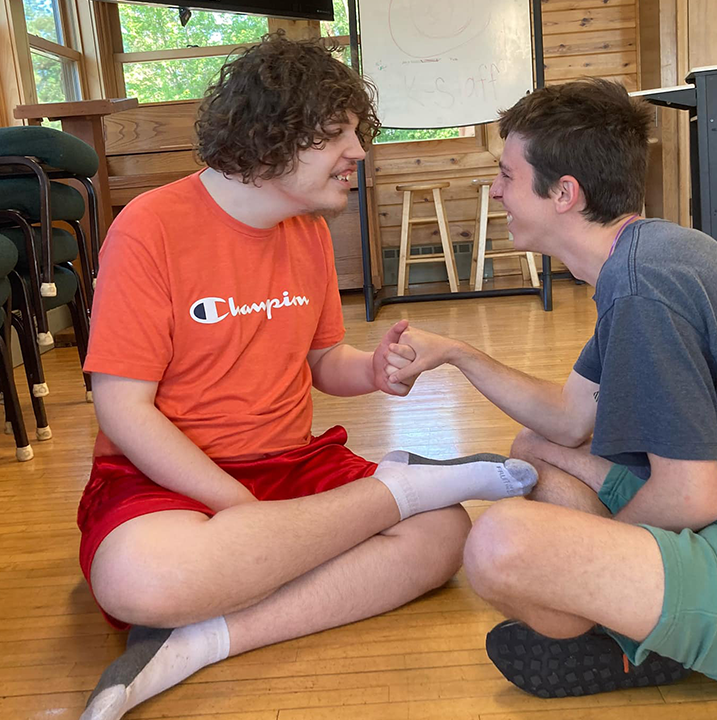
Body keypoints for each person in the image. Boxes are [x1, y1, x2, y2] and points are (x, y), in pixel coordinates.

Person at [76, 33, 537, 720]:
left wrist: (373, 370)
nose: (357, 152)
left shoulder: (307, 233)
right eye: (335, 135)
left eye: (357, 133)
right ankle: (404, 485)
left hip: (289, 466)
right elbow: (124, 410)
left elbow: (323, 362)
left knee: (444, 538)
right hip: (165, 477)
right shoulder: (149, 229)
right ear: (268, 137)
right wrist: (236, 505)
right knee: (138, 582)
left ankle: (203, 641)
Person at [385, 78, 717, 697]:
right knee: (534, 451)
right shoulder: (645, 258)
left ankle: (637, 636)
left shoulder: (645, 290)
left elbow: (690, 499)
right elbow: (568, 419)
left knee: (499, 544)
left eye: (507, 175)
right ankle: (639, 622)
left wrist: (577, 558)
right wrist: (458, 354)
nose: (495, 191)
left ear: (564, 193)